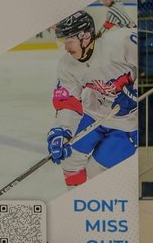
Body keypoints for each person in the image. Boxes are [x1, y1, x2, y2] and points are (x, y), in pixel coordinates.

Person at [46, 10, 139, 187]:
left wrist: (136, 93)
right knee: (70, 161)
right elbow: (68, 101)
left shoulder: (121, 42)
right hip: (93, 114)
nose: (66, 47)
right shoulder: (67, 65)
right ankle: (75, 203)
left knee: (97, 171)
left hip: (128, 123)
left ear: (85, 36)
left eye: (69, 41)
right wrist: (61, 130)